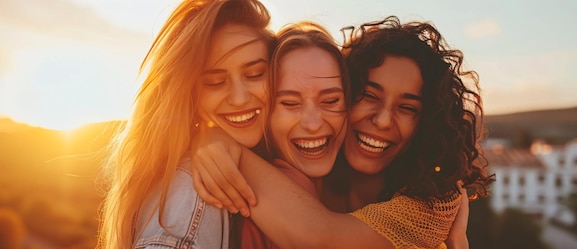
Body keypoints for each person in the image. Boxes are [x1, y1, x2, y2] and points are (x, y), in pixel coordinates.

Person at [191, 16, 493, 248]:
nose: (384, 120)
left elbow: (319, 236)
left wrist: (224, 148)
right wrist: (211, 135)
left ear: (425, 123)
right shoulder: (303, 171)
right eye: (370, 95)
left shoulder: (433, 202)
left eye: (408, 108)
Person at [97, 0, 275, 248]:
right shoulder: (194, 193)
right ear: (190, 95)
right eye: (214, 82)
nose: (239, 97)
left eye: (255, 74)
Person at [237, 21, 350, 249]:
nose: (312, 123)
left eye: (330, 101)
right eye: (289, 103)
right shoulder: (258, 213)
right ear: (264, 113)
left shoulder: (349, 191)